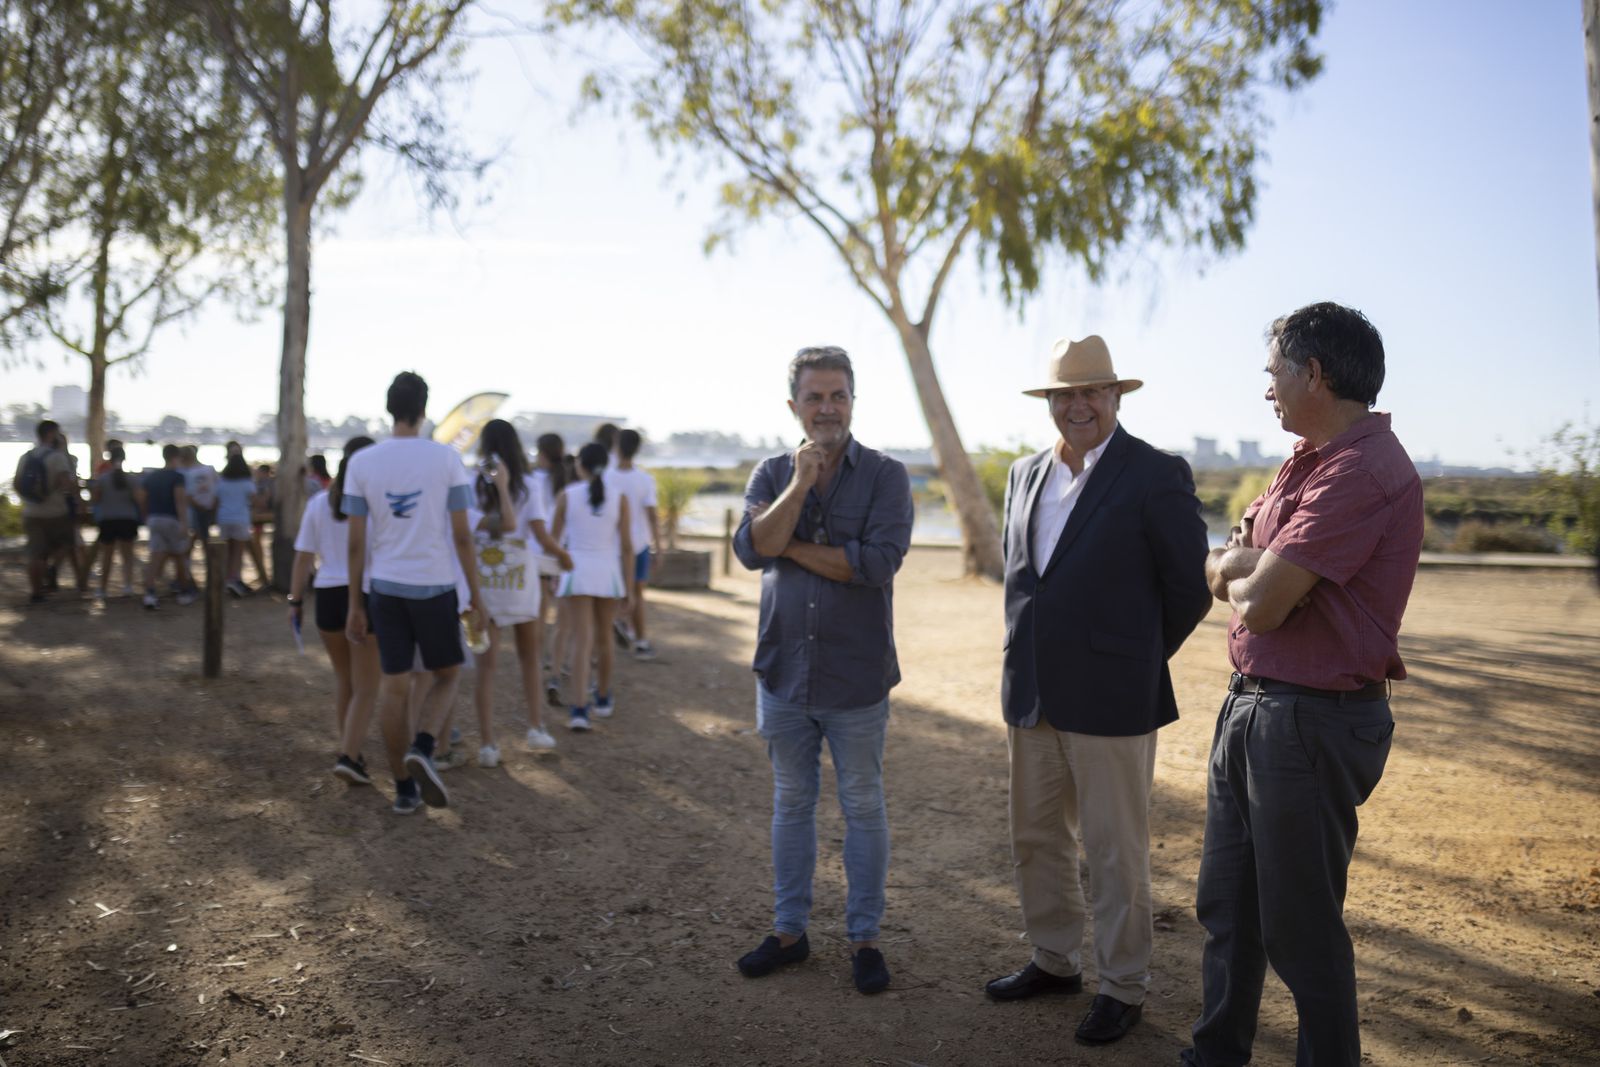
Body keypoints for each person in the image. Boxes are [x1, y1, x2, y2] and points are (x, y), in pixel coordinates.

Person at [1183, 303, 1424, 1067]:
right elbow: (1227, 565)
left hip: (1310, 722)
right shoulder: (1306, 460)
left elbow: (1258, 597)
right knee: (1228, 907)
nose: (1267, 392)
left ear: (1313, 372)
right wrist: (1257, 564)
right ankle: (1216, 1054)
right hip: (1253, 704)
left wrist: (1257, 568)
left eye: (1273, 373)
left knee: (1300, 928)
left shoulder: (1363, 471)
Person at [986, 335, 1212, 1045]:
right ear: (1049, 402)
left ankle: (1123, 984)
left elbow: (1187, 589)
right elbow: (1023, 579)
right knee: (1035, 837)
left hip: (1113, 697)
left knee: (1116, 849)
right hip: (1032, 692)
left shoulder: (1155, 473)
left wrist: (1135, 657)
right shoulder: (1024, 475)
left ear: (1115, 396)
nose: (1077, 404)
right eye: (1064, 393)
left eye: (1091, 391)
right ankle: (1053, 959)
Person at [730, 345, 913, 996]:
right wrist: (799, 487)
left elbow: (878, 563)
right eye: (815, 397)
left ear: (854, 401)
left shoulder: (888, 476)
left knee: (863, 805)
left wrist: (794, 546)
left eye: (838, 395)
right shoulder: (773, 471)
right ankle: (789, 931)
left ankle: (864, 936)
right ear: (794, 406)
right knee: (791, 803)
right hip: (784, 672)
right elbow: (752, 550)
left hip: (856, 677)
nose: (827, 407)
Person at [343, 372, 486, 815]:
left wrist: (355, 603)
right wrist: (477, 598)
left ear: (389, 409)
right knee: (447, 674)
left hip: (384, 588)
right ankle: (423, 747)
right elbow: (462, 537)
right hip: (435, 585)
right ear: (424, 409)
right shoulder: (445, 459)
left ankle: (404, 789)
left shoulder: (362, 463)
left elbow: (355, 542)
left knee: (394, 688)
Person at [468, 419, 572, 762]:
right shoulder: (528, 484)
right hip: (519, 576)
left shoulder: (471, 482)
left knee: (487, 664)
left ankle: (487, 744)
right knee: (530, 656)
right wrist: (563, 556)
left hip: (483, 574)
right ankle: (536, 727)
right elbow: (540, 536)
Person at [289, 436, 380, 787]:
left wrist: (295, 600)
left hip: (327, 595)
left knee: (345, 680)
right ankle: (349, 754)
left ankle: (351, 751)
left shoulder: (319, 503)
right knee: (368, 686)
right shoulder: (377, 504)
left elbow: (303, 557)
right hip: (366, 595)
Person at [550, 442, 633, 731]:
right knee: (605, 640)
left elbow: (553, 541)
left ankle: (578, 709)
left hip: (577, 572)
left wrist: (553, 573)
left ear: (579, 464)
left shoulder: (566, 495)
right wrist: (630, 588)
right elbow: (627, 546)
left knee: (581, 642)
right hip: (608, 573)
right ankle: (602, 696)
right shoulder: (618, 497)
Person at [16, 420, 80, 603]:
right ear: (51, 434)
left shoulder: (26, 456)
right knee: (67, 542)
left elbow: (17, 484)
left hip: (31, 512)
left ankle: (36, 592)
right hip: (56, 512)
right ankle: (51, 570)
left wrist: (32, 499)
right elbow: (67, 483)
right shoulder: (57, 457)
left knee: (35, 554)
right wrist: (77, 498)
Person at [612, 428, 662, 659]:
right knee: (638, 594)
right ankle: (641, 642)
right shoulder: (644, 479)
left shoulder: (605, 477)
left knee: (611, 593)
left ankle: (615, 627)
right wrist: (658, 546)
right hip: (639, 544)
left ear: (616, 446)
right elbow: (652, 515)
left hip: (611, 545)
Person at [531, 433, 570, 705]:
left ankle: (537, 660)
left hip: (536, 552)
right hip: (563, 551)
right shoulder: (568, 480)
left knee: (540, 614)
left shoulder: (531, 479)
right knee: (563, 618)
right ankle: (555, 667)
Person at [138, 444, 196, 608]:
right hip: (171, 518)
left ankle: (149, 593)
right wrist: (184, 523)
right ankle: (184, 592)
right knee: (179, 556)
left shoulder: (152, 476)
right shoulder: (177, 477)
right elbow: (180, 501)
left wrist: (146, 516)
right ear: (176, 457)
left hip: (154, 518)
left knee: (155, 556)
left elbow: (141, 497)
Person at [89, 444, 143, 600]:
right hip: (127, 519)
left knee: (107, 556)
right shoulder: (132, 479)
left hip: (108, 519)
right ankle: (127, 586)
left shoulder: (103, 479)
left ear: (110, 459)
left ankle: (102, 588)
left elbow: (96, 499)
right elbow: (139, 499)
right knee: (127, 555)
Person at [215, 454, 261, 596]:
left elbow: (215, 500)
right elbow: (255, 501)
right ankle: (233, 579)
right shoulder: (247, 482)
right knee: (237, 553)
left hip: (223, 518)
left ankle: (225, 579)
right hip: (240, 518)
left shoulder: (222, 482)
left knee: (227, 552)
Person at [180, 445, 219, 558]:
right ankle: (209, 564)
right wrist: (213, 504)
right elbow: (217, 488)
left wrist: (199, 506)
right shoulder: (209, 469)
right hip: (208, 506)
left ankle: (189, 563)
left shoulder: (186, 473)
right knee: (202, 536)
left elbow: (187, 495)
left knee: (200, 535)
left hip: (196, 508)